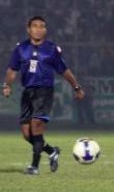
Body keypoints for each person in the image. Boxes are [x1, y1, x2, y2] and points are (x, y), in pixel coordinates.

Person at [2, 16, 85, 175]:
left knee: (36, 126)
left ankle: (34, 166)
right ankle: (52, 151)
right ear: (29, 29)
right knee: (27, 134)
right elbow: (12, 70)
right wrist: (7, 85)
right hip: (27, 92)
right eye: (35, 26)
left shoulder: (52, 49)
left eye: (42, 26)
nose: (39, 29)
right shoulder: (20, 49)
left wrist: (76, 87)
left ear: (45, 30)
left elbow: (64, 70)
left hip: (44, 91)